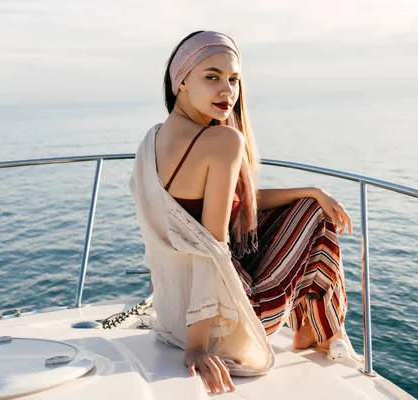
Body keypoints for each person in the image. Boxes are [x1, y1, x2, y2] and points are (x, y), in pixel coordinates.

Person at [130, 30, 357, 395]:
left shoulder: (154, 138)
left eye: (233, 79)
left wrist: (310, 189)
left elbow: (229, 209)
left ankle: (310, 330)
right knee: (316, 215)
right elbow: (212, 249)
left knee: (305, 203)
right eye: (212, 76)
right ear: (181, 81)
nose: (227, 91)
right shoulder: (223, 141)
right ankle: (320, 329)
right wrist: (198, 347)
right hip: (230, 320)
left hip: (174, 315)